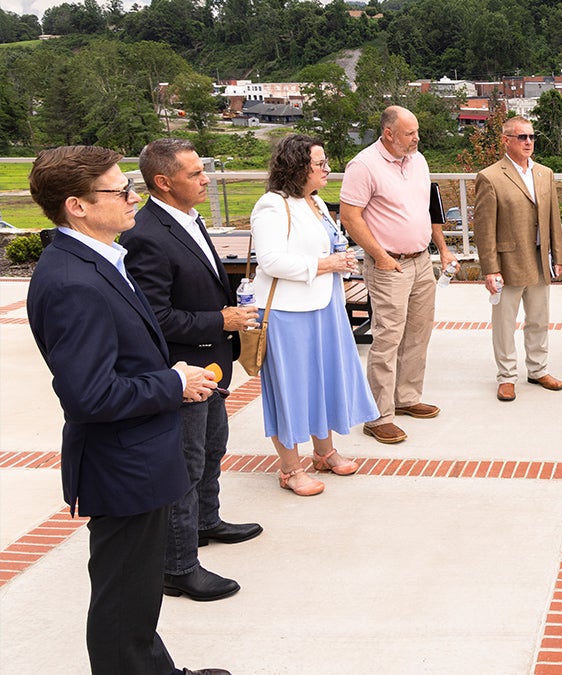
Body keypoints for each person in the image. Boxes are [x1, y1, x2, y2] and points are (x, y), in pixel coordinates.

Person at [26, 145, 228, 675]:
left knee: (134, 595)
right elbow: (89, 396)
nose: (133, 197)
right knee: (123, 598)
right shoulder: (74, 282)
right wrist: (173, 383)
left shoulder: (98, 260)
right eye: (120, 191)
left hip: (137, 456)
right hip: (124, 464)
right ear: (78, 206)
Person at [123, 138, 262, 603]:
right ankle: (178, 566)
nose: (206, 179)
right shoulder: (145, 233)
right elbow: (155, 316)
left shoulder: (187, 218)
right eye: (195, 174)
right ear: (164, 181)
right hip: (182, 368)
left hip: (211, 362)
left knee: (210, 449)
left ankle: (206, 521)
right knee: (183, 465)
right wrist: (219, 320)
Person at [251, 134, 377, 496]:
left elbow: (328, 245)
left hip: (324, 305)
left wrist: (340, 260)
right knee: (291, 388)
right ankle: (290, 468)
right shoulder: (272, 206)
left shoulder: (316, 202)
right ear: (297, 166)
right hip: (288, 312)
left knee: (323, 380)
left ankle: (325, 452)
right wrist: (325, 264)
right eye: (320, 164)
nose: (327, 169)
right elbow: (270, 260)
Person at [340, 106, 456, 444]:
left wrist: (442, 248)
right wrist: (380, 257)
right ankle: (378, 416)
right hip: (389, 264)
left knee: (418, 333)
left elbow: (429, 209)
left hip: (422, 261)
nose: (417, 138)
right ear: (389, 133)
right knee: (388, 339)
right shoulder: (363, 165)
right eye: (409, 133)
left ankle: (406, 398)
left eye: (416, 131)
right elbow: (351, 217)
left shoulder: (417, 160)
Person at [474, 116, 562, 402]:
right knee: (504, 323)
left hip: (540, 260)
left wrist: (558, 256)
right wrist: (490, 269)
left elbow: (554, 218)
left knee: (539, 319)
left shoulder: (545, 173)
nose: (528, 142)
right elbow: (484, 228)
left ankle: (538, 370)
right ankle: (506, 377)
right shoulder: (490, 177)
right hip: (508, 262)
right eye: (522, 137)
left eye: (531, 136)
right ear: (506, 140)